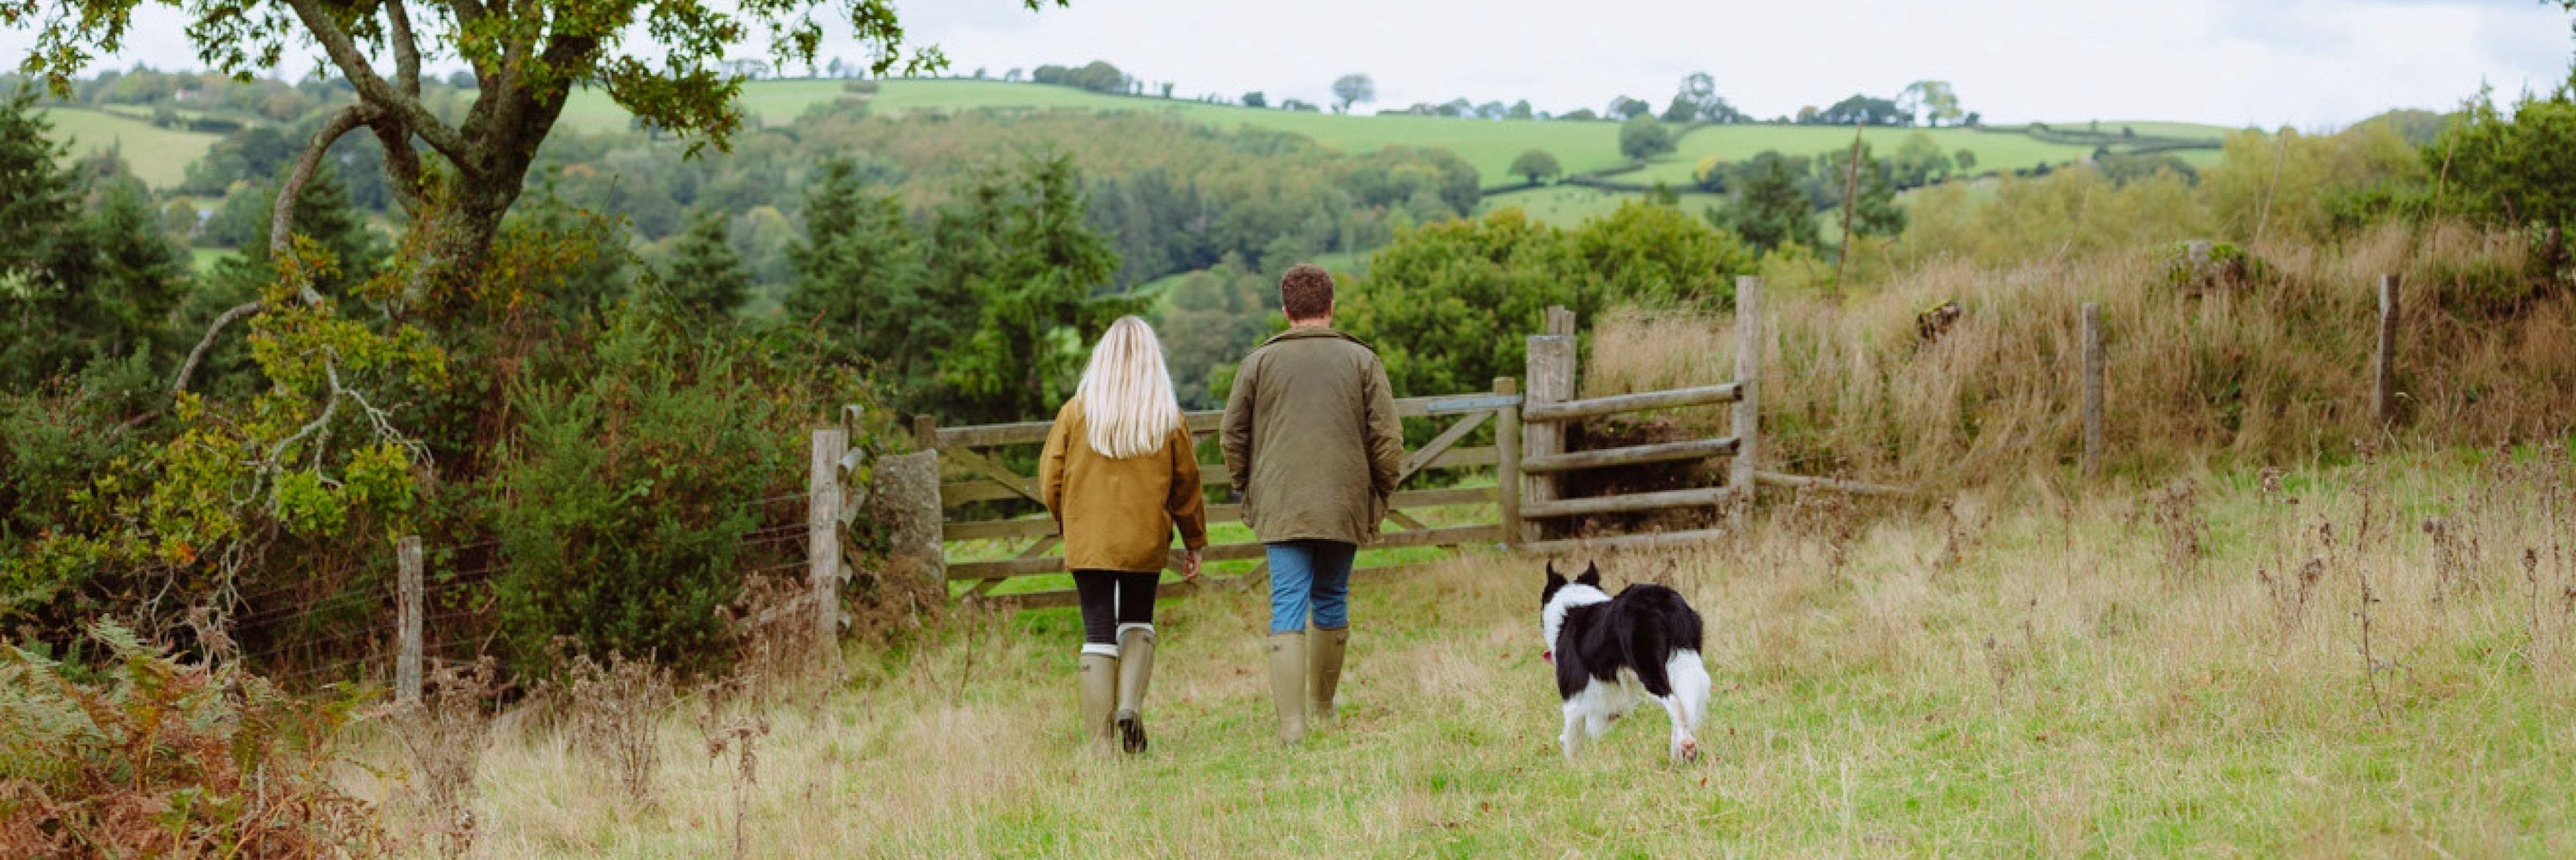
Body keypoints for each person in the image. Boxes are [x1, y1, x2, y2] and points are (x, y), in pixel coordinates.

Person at [1220, 263, 1404, 745]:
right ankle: (1323, 708)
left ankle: (1292, 727)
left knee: (1286, 604)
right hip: (1343, 499)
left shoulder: (1257, 362)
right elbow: (1387, 437)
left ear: (1285, 310)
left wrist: (1247, 486)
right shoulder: (1362, 361)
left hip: (1280, 501)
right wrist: (1379, 492)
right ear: (1331, 306)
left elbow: (1232, 433)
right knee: (1331, 599)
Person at [1039, 316, 1209, 754]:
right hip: (1145, 535)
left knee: (1097, 630)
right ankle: (1129, 707)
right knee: (1137, 619)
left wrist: (1070, 521)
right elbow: (1186, 484)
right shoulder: (1167, 418)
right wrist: (1194, 540)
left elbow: (1050, 480)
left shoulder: (1076, 412)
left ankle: (1101, 744)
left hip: (1089, 535)